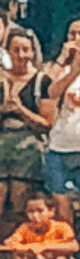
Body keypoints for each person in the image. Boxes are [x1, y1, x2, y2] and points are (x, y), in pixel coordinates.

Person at [0, 29, 53, 248]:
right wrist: (1, 108)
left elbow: (47, 123)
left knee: (21, 208)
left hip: (29, 144)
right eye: (16, 50)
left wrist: (20, 110)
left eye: (26, 50)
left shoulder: (42, 81)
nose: (21, 55)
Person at [2, 193, 77, 259]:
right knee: (17, 255)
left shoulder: (62, 227)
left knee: (62, 257)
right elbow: (9, 243)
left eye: (40, 211)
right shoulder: (25, 228)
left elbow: (74, 246)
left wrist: (45, 247)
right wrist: (32, 250)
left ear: (51, 211)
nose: (35, 216)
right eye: (31, 212)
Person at [45, 18, 80, 227]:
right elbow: (49, 92)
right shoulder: (59, 68)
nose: (76, 39)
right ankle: (65, 255)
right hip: (60, 146)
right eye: (71, 35)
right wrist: (72, 68)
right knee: (60, 201)